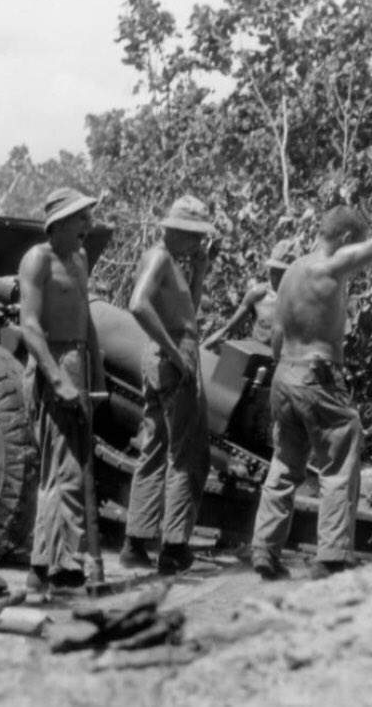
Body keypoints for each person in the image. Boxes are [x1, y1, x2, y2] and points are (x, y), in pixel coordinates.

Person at [251, 165, 372, 581]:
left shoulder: (291, 271)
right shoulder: (330, 266)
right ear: (348, 238)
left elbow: (277, 335)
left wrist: (287, 372)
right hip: (316, 375)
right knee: (340, 459)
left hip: (285, 374)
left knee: (285, 464)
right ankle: (332, 555)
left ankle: (265, 549)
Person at [120, 195, 215, 574]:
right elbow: (138, 304)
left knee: (156, 447)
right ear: (173, 230)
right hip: (172, 357)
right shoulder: (160, 258)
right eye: (193, 236)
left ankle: (136, 541)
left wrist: (200, 271)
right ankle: (174, 546)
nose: (197, 243)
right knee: (188, 455)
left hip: (166, 355)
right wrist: (176, 355)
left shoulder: (172, 262)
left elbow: (188, 312)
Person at [19, 187, 105, 591]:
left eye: (88, 217)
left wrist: (96, 373)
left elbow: (86, 318)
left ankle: (46, 565)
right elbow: (30, 326)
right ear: (58, 224)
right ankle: (59, 563)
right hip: (51, 362)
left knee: (67, 467)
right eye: (81, 218)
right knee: (64, 468)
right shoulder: (38, 259)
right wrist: (57, 379)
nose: (89, 225)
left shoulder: (80, 258)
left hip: (77, 360)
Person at [203, 239, 294, 348]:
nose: (273, 274)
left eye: (280, 271)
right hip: (255, 353)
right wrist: (201, 349)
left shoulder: (298, 302)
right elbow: (228, 330)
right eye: (273, 269)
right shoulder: (258, 294)